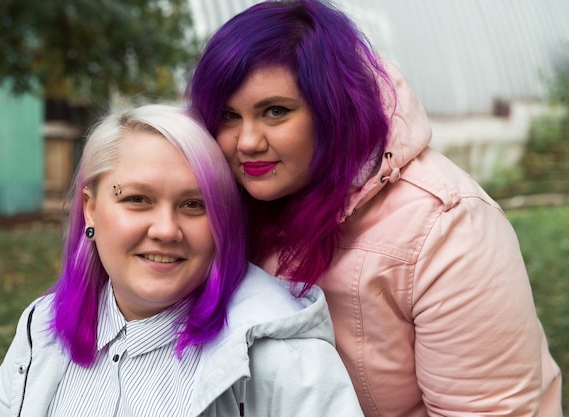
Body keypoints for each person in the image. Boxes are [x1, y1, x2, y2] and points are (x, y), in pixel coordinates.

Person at [186, 1, 563, 416]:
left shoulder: (447, 226)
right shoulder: (223, 204)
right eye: (227, 115)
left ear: (333, 108)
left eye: (275, 111)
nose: (247, 142)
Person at [0, 104, 364, 416]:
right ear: (90, 209)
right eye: (137, 199)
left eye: (193, 205)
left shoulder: (281, 359)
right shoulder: (42, 329)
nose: (166, 230)